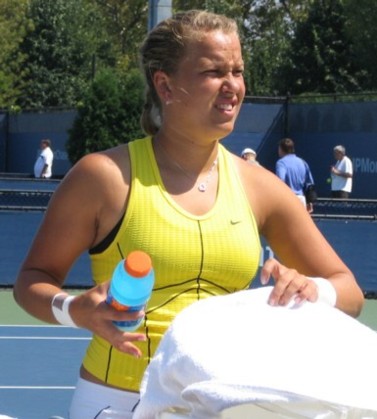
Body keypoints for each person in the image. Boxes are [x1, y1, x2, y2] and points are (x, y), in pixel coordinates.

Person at [13, 10, 364, 419]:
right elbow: (31, 281)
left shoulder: (260, 185)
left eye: (237, 70)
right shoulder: (104, 177)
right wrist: (74, 310)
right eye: (213, 71)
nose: (232, 85)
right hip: (118, 403)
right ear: (165, 84)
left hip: (220, 405)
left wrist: (308, 289)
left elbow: (350, 293)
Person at [275, 137, 315, 213]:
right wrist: (310, 201)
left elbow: (280, 181)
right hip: (301, 199)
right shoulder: (302, 162)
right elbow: (309, 183)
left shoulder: (281, 163)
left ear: (281, 149)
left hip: (288, 199)